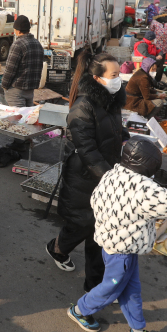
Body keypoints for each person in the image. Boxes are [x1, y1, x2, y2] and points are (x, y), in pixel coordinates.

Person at [66, 137, 167, 332]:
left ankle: (138, 329)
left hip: (113, 242)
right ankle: (80, 310)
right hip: (121, 250)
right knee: (111, 287)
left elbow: (95, 199)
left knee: (131, 289)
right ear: (148, 166)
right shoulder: (143, 189)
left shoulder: (112, 174)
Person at [45, 51, 126, 290]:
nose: (118, 79)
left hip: (105, 175)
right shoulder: (82, 107)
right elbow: (88, 150)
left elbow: (114, 132)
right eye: (114, 74)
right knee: (81, 225)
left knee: (97, 235)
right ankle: (57, 248)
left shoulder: (111, 101)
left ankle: (94, 289)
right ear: (97, 78)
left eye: (119, 74)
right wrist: (111, 178)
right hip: (84, 178)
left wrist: (129, 144)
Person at [1, 16, 44, 107]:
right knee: (27, 118)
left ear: (18, 31)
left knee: (18, 119)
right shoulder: (37, 44)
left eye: (15, 29)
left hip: (16, 91)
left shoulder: (18, 44)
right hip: (30, 91)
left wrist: (4, 85)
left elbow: (10, 69)